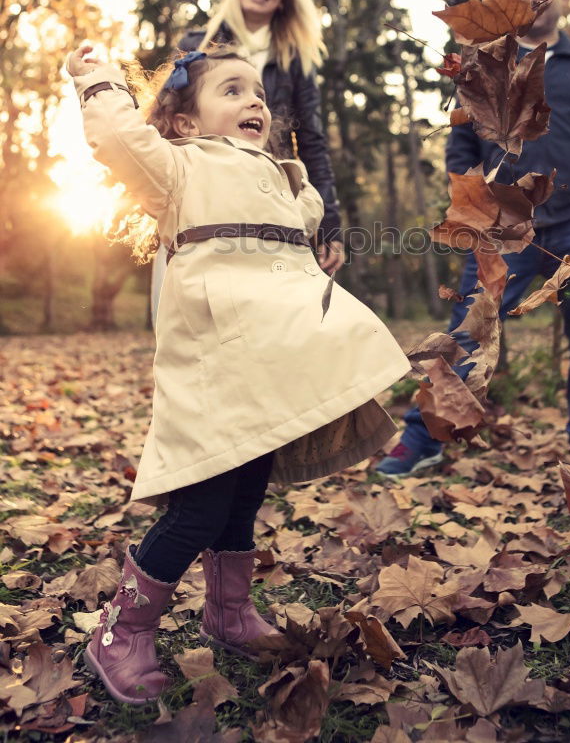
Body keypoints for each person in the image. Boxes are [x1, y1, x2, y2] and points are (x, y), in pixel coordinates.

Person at [66, 41, 410, 705]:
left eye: (257, 93)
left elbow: (302, 219)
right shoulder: (178, 168)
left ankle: (227, 613)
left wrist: (301, 189)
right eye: (231, 90)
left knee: (245, 494)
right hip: (212, 366)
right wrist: (97, 77)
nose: (254, 100)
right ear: (187, 122)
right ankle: (121, 632)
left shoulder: (277, 177)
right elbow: (117, 136)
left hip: (266, 371)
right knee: (199, 506)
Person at [377, 0, 570, 478]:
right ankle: (423, 439)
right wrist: (479, 207)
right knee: (464, 333)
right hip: (503, 232)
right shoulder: (484, 62)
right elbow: (459, 145)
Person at [150, 0, 344, 324]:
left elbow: (313, 143)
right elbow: (168, 118)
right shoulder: (197, 43)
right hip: (200, 196)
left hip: (265, 199)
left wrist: (329, 228)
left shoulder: (296, 59)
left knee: (265, 316)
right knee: (189, 313)